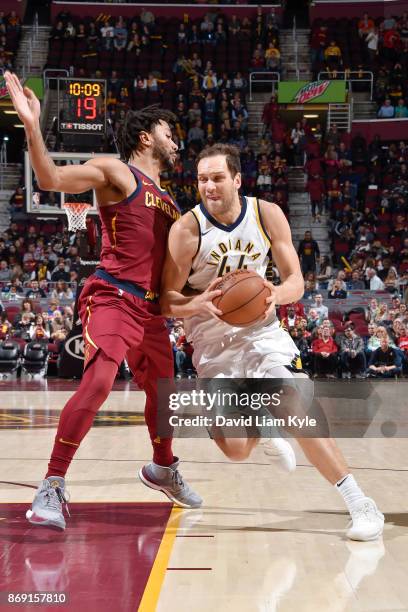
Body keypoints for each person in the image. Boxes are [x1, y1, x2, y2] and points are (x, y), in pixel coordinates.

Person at [5, 70, 202, 530]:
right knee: (96, 386)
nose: (175, 141)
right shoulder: (116, 171)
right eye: (168, 133)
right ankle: (52, 484)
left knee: (164, 399)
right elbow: (50, 177)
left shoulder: (172, 201)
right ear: (143, 137)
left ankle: (162, 468)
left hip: (153, 311)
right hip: (114, 296)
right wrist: (33, 127)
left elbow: (175, 270)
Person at [160, 143, 384, 541]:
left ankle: (359, 502)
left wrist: (272, 296)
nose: (208, 186)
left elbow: (296, 281)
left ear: (237, 179)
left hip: (262, 334)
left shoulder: (266, 214)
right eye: (202, 179)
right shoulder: (186, 230)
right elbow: (166, 300)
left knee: (295, 402)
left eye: (217, 177)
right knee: (237, 450)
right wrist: (197, 302)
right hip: (211, 347)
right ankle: (261, 426)